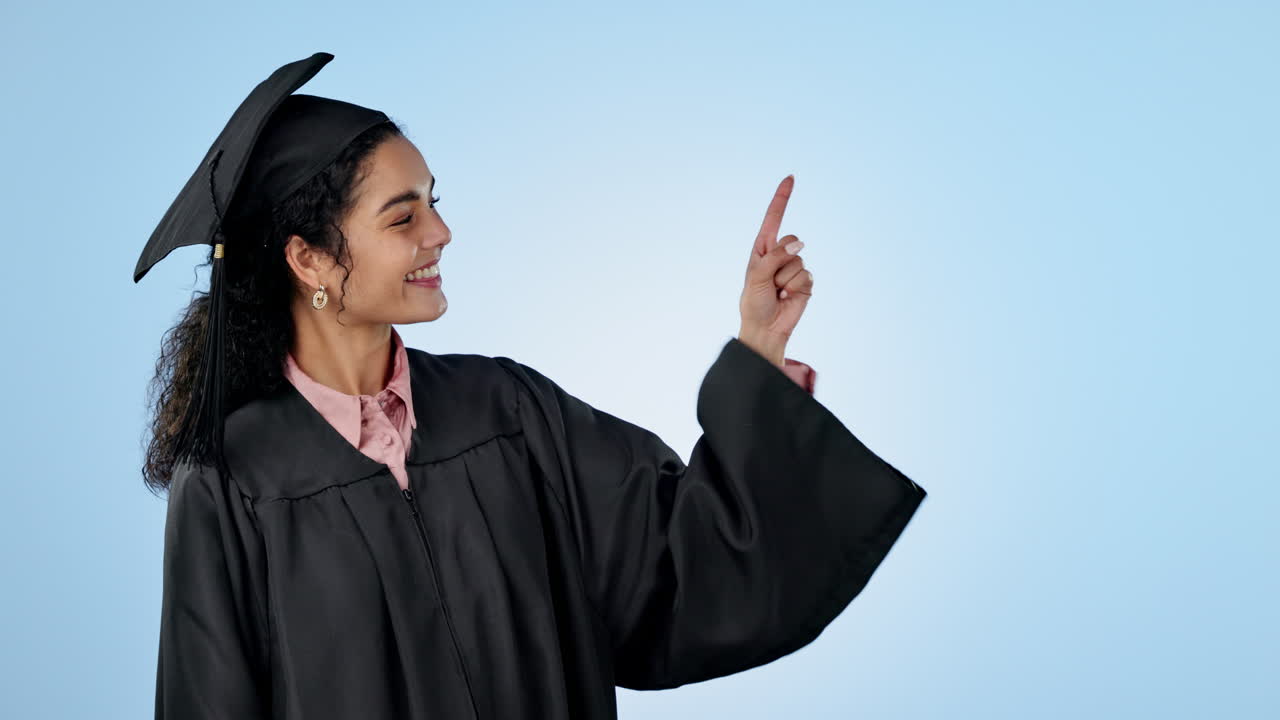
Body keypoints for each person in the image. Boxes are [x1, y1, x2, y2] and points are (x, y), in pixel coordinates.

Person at [140, 52, 927, 720]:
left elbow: (681, 562)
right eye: (402, 217)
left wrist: (759, 346)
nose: (440, 234)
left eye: (434, 204)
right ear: (308, 259)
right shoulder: (233, 482)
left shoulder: (507, 412)